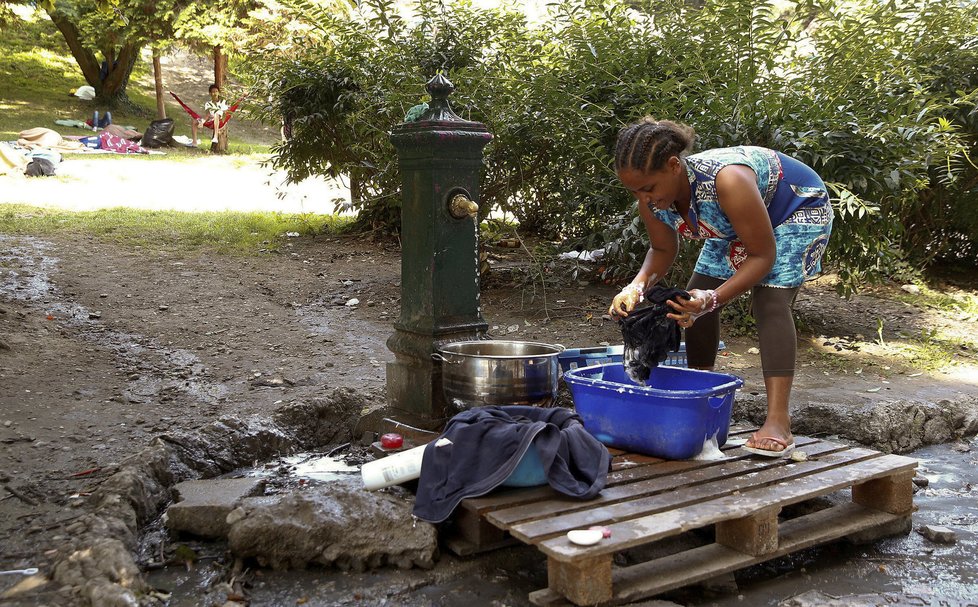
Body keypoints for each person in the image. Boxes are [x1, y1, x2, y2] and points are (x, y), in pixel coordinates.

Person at [607, 118, 833, 457]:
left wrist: (712, 299)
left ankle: (778, 422)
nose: (645, 199)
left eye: (649, 188)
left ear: (673, 166)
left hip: (795, 209)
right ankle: (703, 395)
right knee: (688, 302)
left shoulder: (727, 180)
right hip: (732, 224)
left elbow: (763, 255)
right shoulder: (652, 198)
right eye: (635, 191)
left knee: (769, 302)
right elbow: (663, 250)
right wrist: (636, 287)